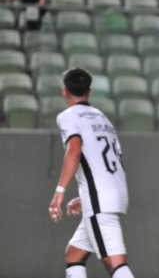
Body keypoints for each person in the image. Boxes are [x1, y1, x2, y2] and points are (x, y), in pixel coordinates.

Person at [48, 68, 134, 278]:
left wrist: (60, 191)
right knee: (74, 254)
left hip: (100, 199)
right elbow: (114, 160)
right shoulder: (103, 118)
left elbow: (74, 149)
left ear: (64, 91)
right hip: (115, 193)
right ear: (90, 91)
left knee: (114, 262)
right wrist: (85, 197)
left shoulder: (68, 116)